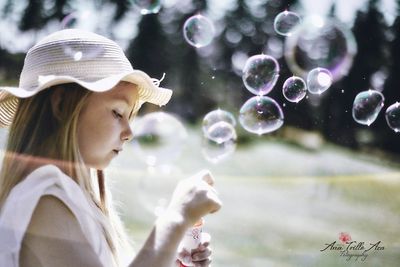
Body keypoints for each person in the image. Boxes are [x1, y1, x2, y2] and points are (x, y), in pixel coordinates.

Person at [0, 29, 222, 267]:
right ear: (62, 105)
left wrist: (169, 257)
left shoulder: (74, 200)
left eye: (130, 117)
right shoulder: (43, 201)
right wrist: (177, 218)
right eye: (118, 112)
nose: (129, 133)